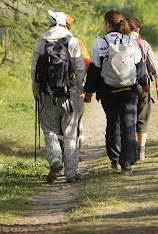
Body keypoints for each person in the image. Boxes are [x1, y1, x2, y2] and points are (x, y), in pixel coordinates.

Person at [84, 10, 149, 174]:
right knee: (129, 124)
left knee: (113, 122)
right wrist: (145, 83)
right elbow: (139, 65)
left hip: (108, 91)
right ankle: (126, 163)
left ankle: (115, 158)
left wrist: (89, 92)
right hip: (129, 90)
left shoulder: (99, 42)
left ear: (107, 24)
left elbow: (94, 70)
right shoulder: (130, 41)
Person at [31, 10, 86, 183]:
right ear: (64, 24)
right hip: (69, 94)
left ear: (49, 24)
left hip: (47, 94)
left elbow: (34, 72)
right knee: (70, 132)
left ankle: (55, 159)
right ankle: (71, 173)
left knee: (50, 130)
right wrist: (79, 88)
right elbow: (80, 68)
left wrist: (36, 91)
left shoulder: (41, 42)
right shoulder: (72, 41)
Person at [126, 18, 158, 162]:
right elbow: (154, 67)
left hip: (123, 86)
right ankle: (141, 151)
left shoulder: (120, 43)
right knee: (143, 118)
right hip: (142, 86)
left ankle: (128, 149)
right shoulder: (143, 44)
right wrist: (157, 73)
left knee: (127, 118)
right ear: (138, 30)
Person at [64, 13, 91, 148]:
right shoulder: (75, 41)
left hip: (50, 90)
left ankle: (58, 152)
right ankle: (74, 149)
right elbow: (86, 64)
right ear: (68, 26)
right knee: (75, 119)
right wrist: (82, 85)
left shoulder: (43, 41)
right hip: (74, 88)